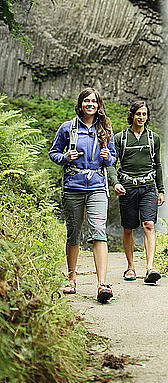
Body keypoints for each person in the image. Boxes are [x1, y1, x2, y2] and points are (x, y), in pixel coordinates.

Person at [49, 88, 116, 303]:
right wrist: (66, 157)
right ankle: (71, 278)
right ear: (80, 104)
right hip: (73, 186)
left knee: (99, 232)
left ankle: (102, 284)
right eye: (86, 100)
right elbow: (54, 153)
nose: (90, 104)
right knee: (74, 233)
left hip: (97, 186)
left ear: (99, 105)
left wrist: (107, 157)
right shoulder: (67, 128)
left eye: (94, 101)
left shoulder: (105, 128)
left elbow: (112, 158)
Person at [108, 100, 165, 284]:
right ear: (132, 115)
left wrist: (161, 190)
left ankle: (150, 268)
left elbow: (157, 165)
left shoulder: (153, 138)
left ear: (148, 117)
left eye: (144, 114)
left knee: (149, 224)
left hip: (148, 187)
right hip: (127, 188)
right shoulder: (120, 138)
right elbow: (111, 163)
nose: (141, 117)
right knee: (129, 227)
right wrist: (115, 182)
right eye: (138, 114)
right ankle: (131, 267)